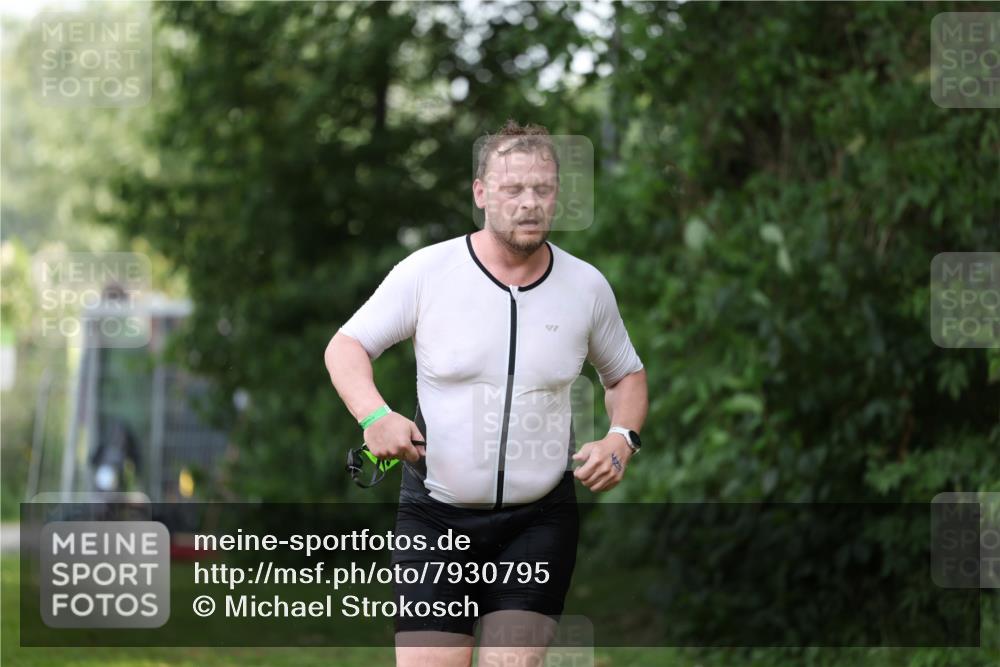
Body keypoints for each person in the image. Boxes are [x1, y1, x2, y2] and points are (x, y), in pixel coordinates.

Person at [324, 119, 648, 667]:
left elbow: (626, 376)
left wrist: (621, 439)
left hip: (538, 523)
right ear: (480, 193)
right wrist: (374, 415)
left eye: (542, 189)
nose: (529, 203)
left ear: (557, 196)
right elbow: (346, 347)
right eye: (511, 189)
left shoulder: (585, 287)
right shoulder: (429, 272)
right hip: (436, 520)